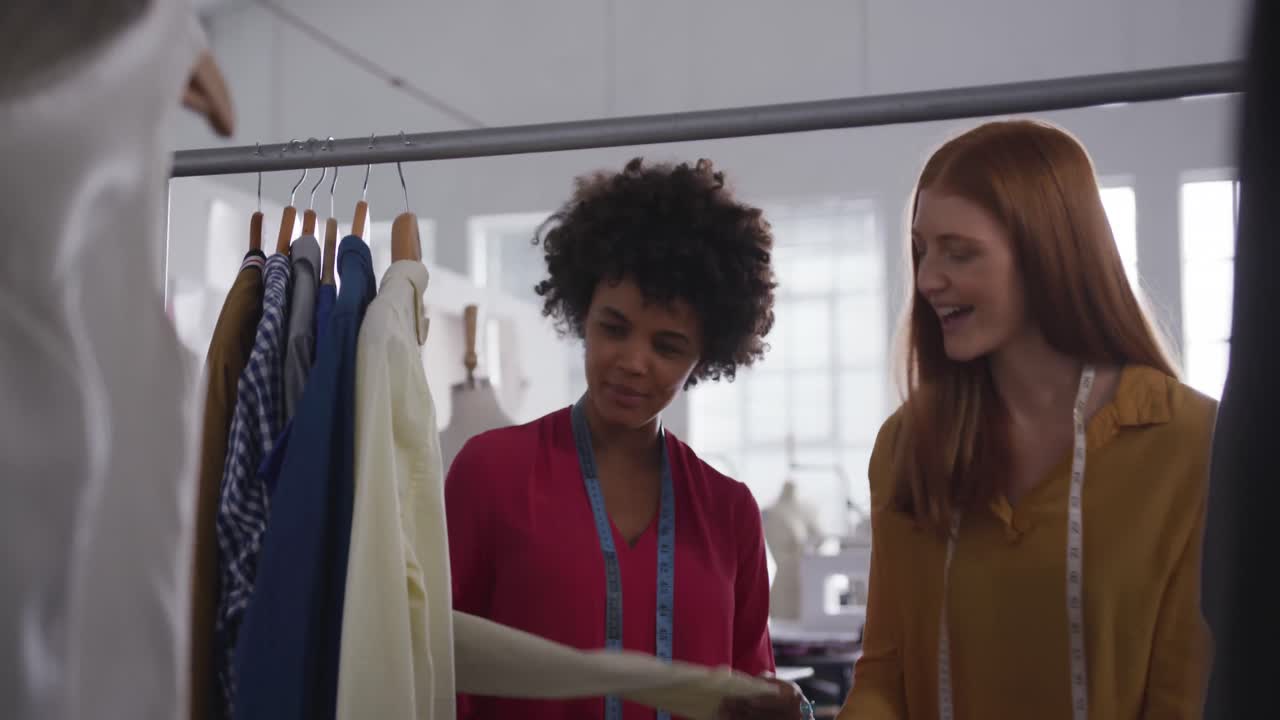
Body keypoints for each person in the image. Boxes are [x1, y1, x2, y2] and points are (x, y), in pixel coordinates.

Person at [839, 120, 1216, 719]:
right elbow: (884, 677)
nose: (928, 279)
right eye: (921, 250)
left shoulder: (1192, 444)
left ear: (1049, 254)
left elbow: (1189, 694)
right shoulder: (908, 446)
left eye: (960, 252)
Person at [445, 157, 807, 720]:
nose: (633, 362)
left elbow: (746, 694)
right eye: (613, 328)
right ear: (581, 314)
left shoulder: (728, 511)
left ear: (704, 355)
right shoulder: (491, 473)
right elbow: (439, 669)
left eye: (667, 346)